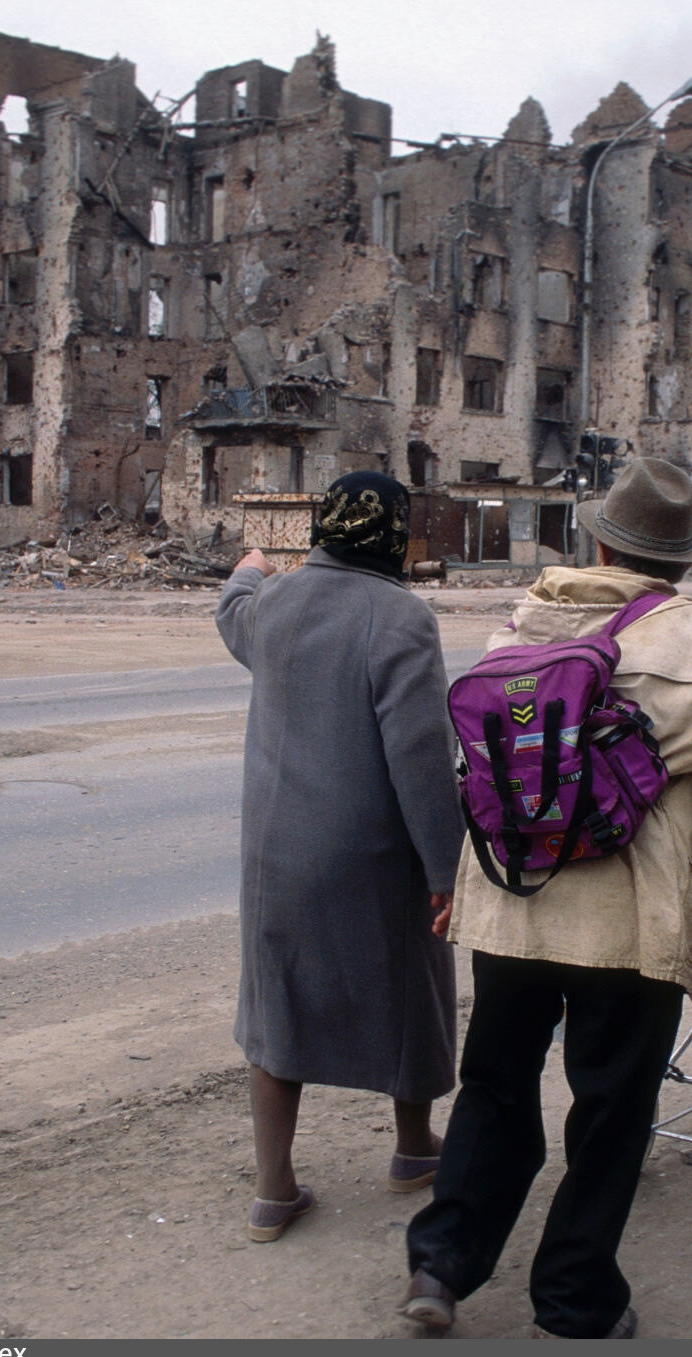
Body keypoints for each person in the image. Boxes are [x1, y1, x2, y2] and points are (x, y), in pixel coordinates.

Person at [402, 458, 692, 1337]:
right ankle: (575, 1302)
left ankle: (438, 1268)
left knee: (495, 1089)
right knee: (611, 1109)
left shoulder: (525, 619)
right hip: (631, 916)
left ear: (602, 539)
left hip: (514, 898)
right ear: (684, 561)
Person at [215, 470, 464, 1243]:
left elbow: (233, 613)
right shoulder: (401, 618)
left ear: (325, 525)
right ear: (394, 533)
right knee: (414, 988)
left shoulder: (275, 605)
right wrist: (445, 872)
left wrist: (250, 564)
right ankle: (414, 1145)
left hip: (275, 855)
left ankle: (272, 1189)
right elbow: (422, 759)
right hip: (372, 855)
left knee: (276, 1004)